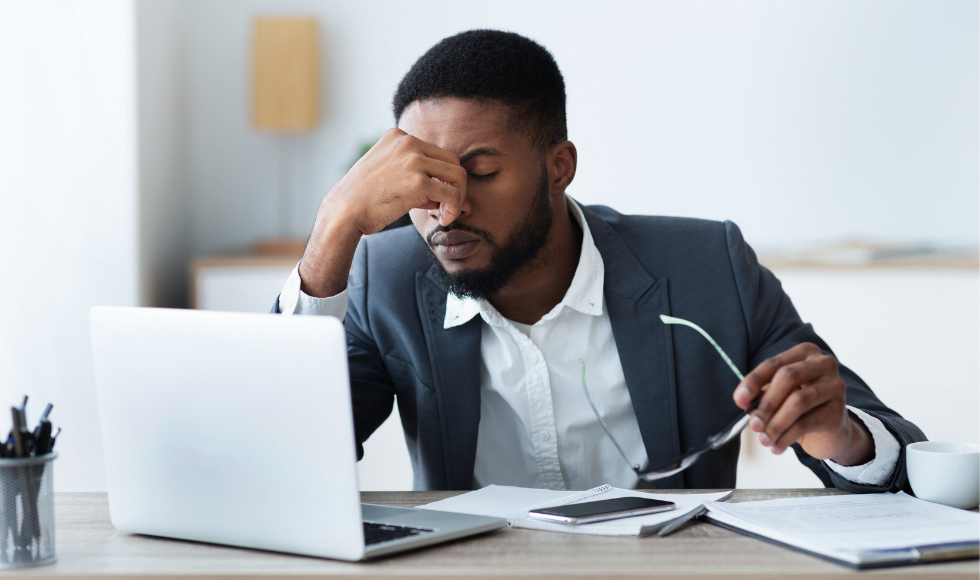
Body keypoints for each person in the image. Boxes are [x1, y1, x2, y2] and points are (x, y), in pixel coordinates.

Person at [272, 29, 924, 492]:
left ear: (559, 168)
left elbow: (906, 462)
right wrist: (335, 226)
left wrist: (841, 436)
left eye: (481, 172)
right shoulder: (384, 279)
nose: (447, 210)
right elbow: (286, 463)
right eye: (425, 180)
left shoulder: (707, 267)